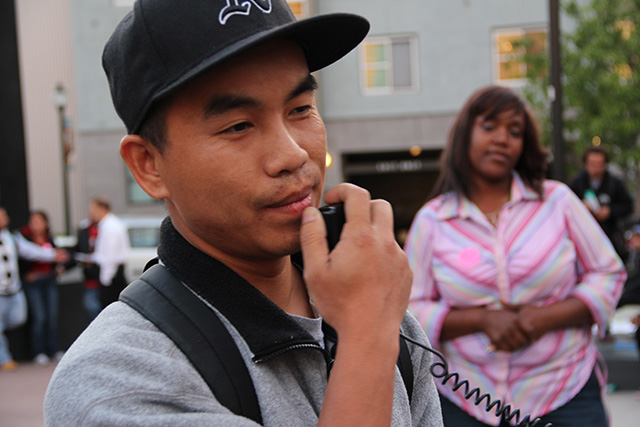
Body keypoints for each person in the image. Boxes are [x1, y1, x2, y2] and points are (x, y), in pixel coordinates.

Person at [44, 1, 443, 425]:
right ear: (149, 165)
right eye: (238, 126)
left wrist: (372, 327)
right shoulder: (118, 379)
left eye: (301, 109)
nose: (292, 153)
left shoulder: (373, 306)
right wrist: (365, 340)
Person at [404, 85, 625, 427]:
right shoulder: (432, 220)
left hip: (564, 391)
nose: (502, 138)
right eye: (489, 126)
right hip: (465, 399)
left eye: (515, 131)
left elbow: (607, 273)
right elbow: (410, 306)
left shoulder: (558, 201)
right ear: (466, 134)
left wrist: (541, 318)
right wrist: (482, 320)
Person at [0, 207, 67, 371]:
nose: (4, 218)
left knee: (19, 317)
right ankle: (5, 358)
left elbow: (31, 251)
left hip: (14, 289)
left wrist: (53, 255)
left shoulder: (12, 238)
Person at [569, 146, 633, 258]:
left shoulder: (615, 183)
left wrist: (610, 211)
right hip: (583, 238)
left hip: (610, 237)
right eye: (592, 164)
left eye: (599, 164)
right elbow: (567, 206)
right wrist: (581, 207)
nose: (596, 168)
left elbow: (628, 206)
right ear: (586, 164)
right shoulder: (577, 183)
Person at [18, 210, 62, 365]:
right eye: (33, 221)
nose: (35, 224)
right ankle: (38, 351)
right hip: (34, 282)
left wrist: (58, 267)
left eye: (38, 221)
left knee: (51, 316)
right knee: (39, 317)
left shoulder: (49, 237)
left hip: (48, 280)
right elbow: (23, 256)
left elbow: (56, 256)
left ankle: (53, 349)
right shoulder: (23, 237)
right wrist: (26, 273)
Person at [87, 197, 130, 310]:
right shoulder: (109, 224)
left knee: (111, 309)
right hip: (113, 273)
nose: (91, 213)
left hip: (112, 275)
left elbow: (110, 255)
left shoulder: (110, 227)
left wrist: (105, 279)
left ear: (101, 209)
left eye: (93, 209)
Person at [72, 219, 102, 320]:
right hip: (90, 278)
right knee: (91, 306)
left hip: (103, 278)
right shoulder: (84, 231)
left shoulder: (106, 229)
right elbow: (78, 250)